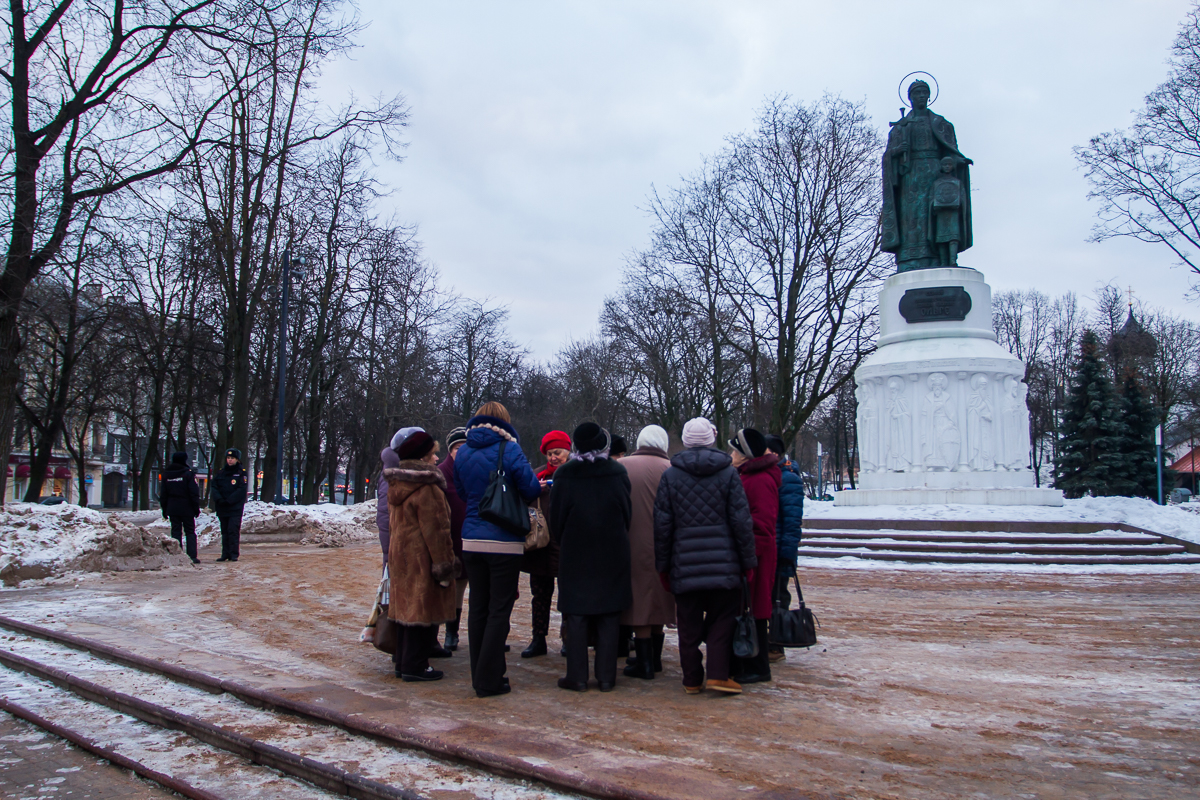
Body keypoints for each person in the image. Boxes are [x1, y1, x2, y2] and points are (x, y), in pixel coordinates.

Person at [654, 417, 756, 695]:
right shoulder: (728, 474)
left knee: (688, 624)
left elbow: (662, 526)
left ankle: (691, 679)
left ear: (686, 441)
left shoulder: (671, 475)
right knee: (722, 621)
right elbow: (741, 522)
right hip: (724, 565)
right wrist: (748, 562)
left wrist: (663, 567)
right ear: (711, 440)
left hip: (684, 564)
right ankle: (718, 675)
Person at [453, 401, 541, 697]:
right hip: (503, 541)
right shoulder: (510, 449)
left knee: (478, 607)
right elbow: (529, 489)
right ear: (504, 422)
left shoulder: (462, 451)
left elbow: (464, 493)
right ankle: (489, 679)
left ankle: (481, 674)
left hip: (471, 540)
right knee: (498, 610)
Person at [549, 423, 632, 692]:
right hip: (612, 549)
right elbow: (626, 512)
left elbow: (556, 519)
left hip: (576, 550)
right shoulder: (617, 471)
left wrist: (566, 540)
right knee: (609, 613)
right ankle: (607, 677)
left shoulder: (564, 474)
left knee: (576, 613)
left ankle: (577, 676)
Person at [385, 431, 459, 682]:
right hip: (422, 557)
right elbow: (437, 530)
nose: (437, 458)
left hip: (401, 556)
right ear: (422, 457)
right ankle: (416, 665)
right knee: (421, 609)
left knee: (405, 608)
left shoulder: (397, 484)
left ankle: (403, 661)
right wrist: (444, 565)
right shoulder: (427, 487)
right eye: (432, 454)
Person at [881, 79, 973, 271]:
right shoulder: (901, 126)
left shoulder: (941, 124)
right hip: (910, 178)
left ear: (929, 96)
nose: (921, 96)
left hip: (935, 176)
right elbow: (888, 156)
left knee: (937, 215)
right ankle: (910, 258)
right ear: (910, 98)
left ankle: (940, 256)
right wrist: (897, 151)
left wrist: (958, 162)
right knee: (912, 218)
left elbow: (950, 152)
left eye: (924, 93)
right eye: (917, 93)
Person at [619, 424, 674, 680]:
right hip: (666, 544)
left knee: (639, 599)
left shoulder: (623, 467)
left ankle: (644, 664)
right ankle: (655, 659)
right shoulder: (672, 469)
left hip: (630, 542)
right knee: (660, 596)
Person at [728, 428, 780, 684]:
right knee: (750, 608)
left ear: (746, 454)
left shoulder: (759, 480)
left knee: (756, 609)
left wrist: (748, 559)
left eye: (735, 450)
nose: (731, 454)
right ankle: (749, 662)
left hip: (756, 556)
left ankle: (758, 666)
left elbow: (763, 526)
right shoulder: (750, 475)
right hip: (752, 554)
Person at [520, 430, 570, 658]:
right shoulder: (536, 476)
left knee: (569, 596)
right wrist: (533, 491)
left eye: (557, 453)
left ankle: (569, 639)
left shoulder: (574, 476)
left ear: (568, 452)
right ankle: (538, 638)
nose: (553, 458)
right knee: (539, 595)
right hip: (540, 547)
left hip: (567, 546)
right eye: (549, 453)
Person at [764, 434, 803, 664]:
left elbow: (792, 520)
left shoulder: (788, 479)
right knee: (770, 597)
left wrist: (787, 552)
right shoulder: (775, 476)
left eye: (765, 451)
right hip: (772, 546)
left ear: (776, 454)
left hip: (780, 549)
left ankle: (777, 644)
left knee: (778, 597)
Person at [437, 427, 469, 651]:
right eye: (458, 448)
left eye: (466, 447)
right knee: (454, 588)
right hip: (452, 539)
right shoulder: (441, 473)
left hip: (475, 537)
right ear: (450, 450)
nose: (462, 451)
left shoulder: (475, 470)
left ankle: (484, 634)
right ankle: (451, 632)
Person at [160, 451, 201, 564]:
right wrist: (196, 508)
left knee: (176, 532)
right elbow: (194, 492)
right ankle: (192, 556)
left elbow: (163, 494)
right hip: (187, 507)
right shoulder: (187, 474)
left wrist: (164, 509)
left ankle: (177, 555)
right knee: (190, 532)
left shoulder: (167, 474)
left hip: (173, 507)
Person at [212, 448, 248, 562]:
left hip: (235, 507)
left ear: (237, 459)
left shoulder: (241, 473)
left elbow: (241, 490)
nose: (230, 460)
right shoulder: (221, 472)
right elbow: (214, 487)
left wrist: (230, 500)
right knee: (225, 531)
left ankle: (233, 554)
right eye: (228, 458)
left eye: (232, 458)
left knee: (233, 530)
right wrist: (219, 499)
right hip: (222, 506)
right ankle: (225, 553)